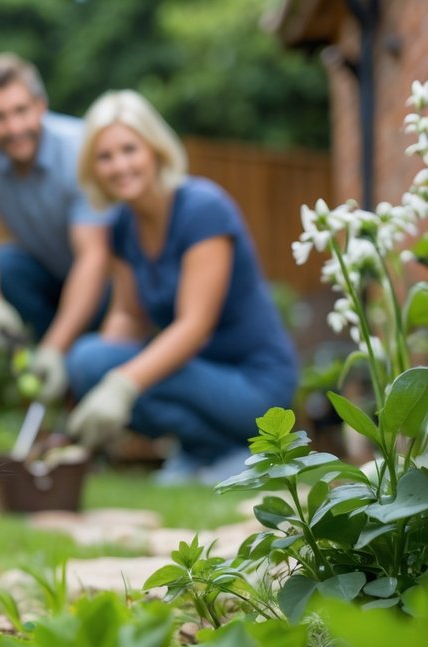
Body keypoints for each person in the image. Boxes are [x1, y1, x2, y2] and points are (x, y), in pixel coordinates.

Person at [65, 89, 299, 485]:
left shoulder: (202, 208)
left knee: (102, 366)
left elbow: (195, 326)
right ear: (93, 167)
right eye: (105, 157)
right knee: (87, 361)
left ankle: (241, 453)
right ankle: (214, 452)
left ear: (154, 149)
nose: (119, 165)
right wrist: (96, 384)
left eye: (129, 149)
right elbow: (128, 315)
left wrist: (120, 383)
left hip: (255, 384)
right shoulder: (124, 225)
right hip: (198, 376)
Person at [0, 52, 112, 405]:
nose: (15, 127)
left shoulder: (81, 147)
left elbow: (93, 256)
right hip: (46, 271)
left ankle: (80, 368)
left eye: (22, 110)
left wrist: (55, 347)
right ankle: (64, 390)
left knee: (85, 350)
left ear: (41, 105)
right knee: (4, 266)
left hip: (108, 280)